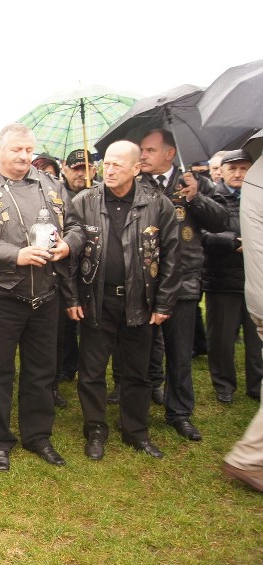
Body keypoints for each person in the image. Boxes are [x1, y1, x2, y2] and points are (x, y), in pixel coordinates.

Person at [0, 123, 82, 471]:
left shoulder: (50, 184)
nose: (24, 157)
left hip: (45, 293)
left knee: (42, 370)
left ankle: (38, 436)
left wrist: (69, 245)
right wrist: (15, 255)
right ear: (0, 150)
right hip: (0, 295)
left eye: (29, 150)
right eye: (17, 150)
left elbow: (75, 226)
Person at [65, 141, 180, 460]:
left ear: (136, 168)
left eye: (117, 165)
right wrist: (71, 296)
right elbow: (70, 257)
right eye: (106, 164)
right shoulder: (84, 202)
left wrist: (164, 303)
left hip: (140, 302)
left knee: (137, 372)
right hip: (95, 300)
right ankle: (96, 429)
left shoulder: (158, 204)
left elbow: (172, 256)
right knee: (91, 371)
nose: (109, 170)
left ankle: (135, 430)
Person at [139, 128, 227, 441]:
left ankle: (179, 413)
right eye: (142, 150)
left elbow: (220, 221)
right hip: (144, 279)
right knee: (140, 347)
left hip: (183, 279)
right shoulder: (137, 183)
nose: (143, 156)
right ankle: (140, 398)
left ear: (169, 154)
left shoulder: (195, 182)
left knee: (179, 350)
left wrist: (195, 197)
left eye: (150, 150)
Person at [202, 149, 262, 403]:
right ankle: (224, 384)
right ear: (222, 171)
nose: (238, 174)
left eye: (243, 168)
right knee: (222, 338)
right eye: (232, 168)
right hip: (222, 278)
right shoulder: (212, 198)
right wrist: (232, 242)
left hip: (255, 276)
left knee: (256, 337)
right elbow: (202, 234)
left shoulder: (258, 195)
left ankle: (257, 383)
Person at [222, 155, 263, 492]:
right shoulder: (259, 179)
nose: (237, 172)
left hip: (252, 286)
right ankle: (249, 457)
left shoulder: (255, 178)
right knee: (222, 340)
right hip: (236, 282)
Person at [53, 149, 96, 406]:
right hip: (64, 272)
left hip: (93, 275)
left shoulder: (100, 194)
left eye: (86, 168)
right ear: (65, 170)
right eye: (76, 168)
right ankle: (56, 379)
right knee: (60, 332)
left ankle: (86, 376)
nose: (81, 173)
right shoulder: (56, 194)